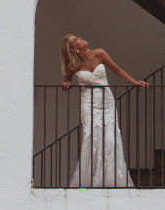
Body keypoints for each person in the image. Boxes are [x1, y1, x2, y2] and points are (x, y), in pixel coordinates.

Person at [60, 34, 150, 188]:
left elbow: (118, 70)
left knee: (110, 140)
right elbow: (66, 81)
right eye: (75, 40)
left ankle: (110, 180)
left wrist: (135, 82)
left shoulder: (99, 53)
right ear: (73, 49)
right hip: (89, 104)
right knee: (91, 138)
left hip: (107, 102)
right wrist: (66, 86)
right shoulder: (73, 65)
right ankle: (89, 180)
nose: (80, 38)